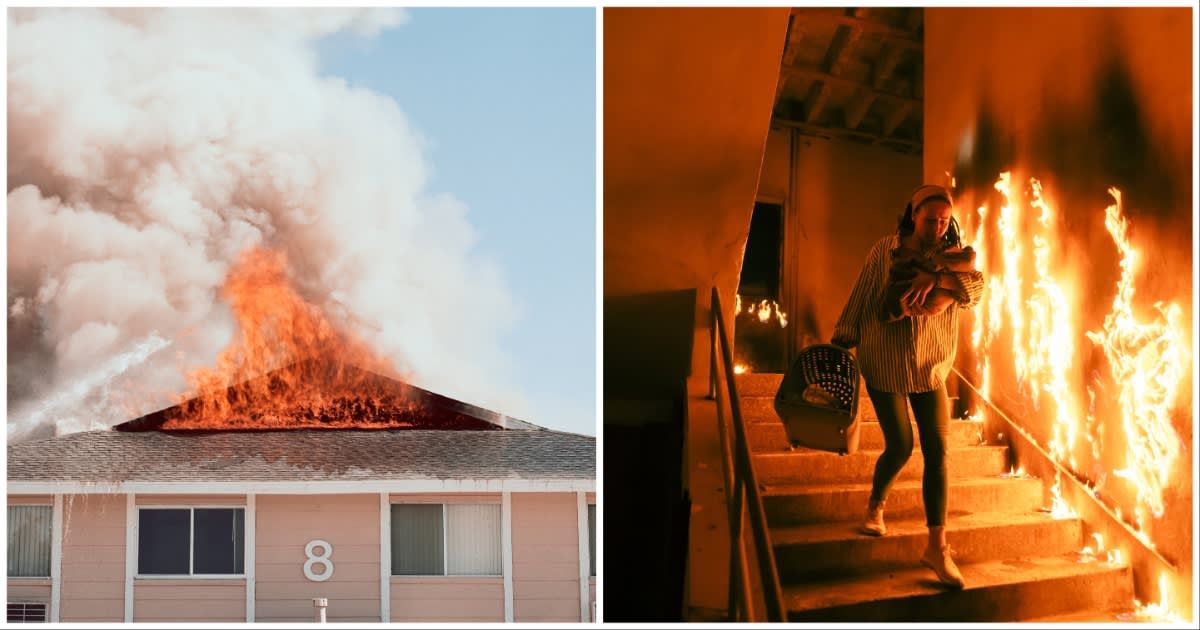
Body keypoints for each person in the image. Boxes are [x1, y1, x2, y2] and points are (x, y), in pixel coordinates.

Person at [830, 184, 984, 589]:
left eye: (944, 220)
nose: (937, 226)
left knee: (939, 450)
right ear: (913, 215)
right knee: (899, 444)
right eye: (930, 219)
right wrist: (842, 336)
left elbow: (978, 289)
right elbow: (864, 293)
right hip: (883, 360)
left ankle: (937, 546)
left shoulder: (953, 257)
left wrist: (936, 278)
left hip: (931, 366)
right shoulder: (886, 249)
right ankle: (875, 507)